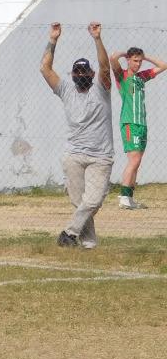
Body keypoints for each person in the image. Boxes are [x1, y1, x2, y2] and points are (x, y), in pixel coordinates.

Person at [41, 22, 114, 248]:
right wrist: (53, 40)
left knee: (92, 200)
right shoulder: (65, 90)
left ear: (91, 74)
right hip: (73, 155)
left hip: (101, 157)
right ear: (72, 74)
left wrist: (97, 39)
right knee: (78, 201)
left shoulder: (101, 88)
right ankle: (89, 243)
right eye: (77, 71)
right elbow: (45, 69)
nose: (81, 74)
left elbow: (105, 67)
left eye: (85, 71)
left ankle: (69, 233)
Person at [110, 45, 165, 209]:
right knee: (133, 160)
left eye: (140, 61)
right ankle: (123, 197)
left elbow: (163, 65)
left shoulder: (142, 77)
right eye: (135, 60)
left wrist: (146, 57)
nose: (138, 64)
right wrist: (123, 53)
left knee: (137, 161)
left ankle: (129, 198)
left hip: (142, 124)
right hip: (130, 123)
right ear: (128, 60)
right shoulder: (123, 76)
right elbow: (113, 58)